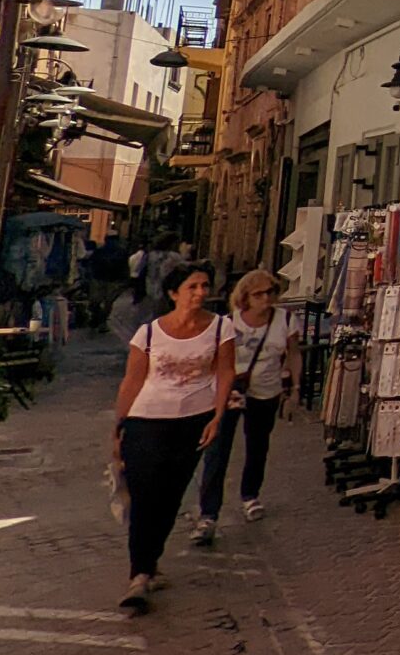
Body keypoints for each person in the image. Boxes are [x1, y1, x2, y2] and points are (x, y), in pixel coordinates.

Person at [111, 261, 234, 612]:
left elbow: (226, 372)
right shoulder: (149, 334)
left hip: (192, 420)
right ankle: (139, 574)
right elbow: (132, 381)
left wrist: (218, 416)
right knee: (144, 495)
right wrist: (118, 427)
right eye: (193, 287)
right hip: (145, 420)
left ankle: (150, 562)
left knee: (170, 496)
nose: (200, 293)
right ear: (173, 293)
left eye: (204, 286)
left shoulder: (220, 328)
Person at [193, 271, 301, 542]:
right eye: (258, 294)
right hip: (230, 392)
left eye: (270, 293)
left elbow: (293, 354)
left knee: (258, 444)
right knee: (217, 449)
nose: (266, 299)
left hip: (266, 391)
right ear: (245, 298)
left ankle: (250, 495)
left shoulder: (285, 320)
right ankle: (209, 513)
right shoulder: (228, 324)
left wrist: (295, 389)